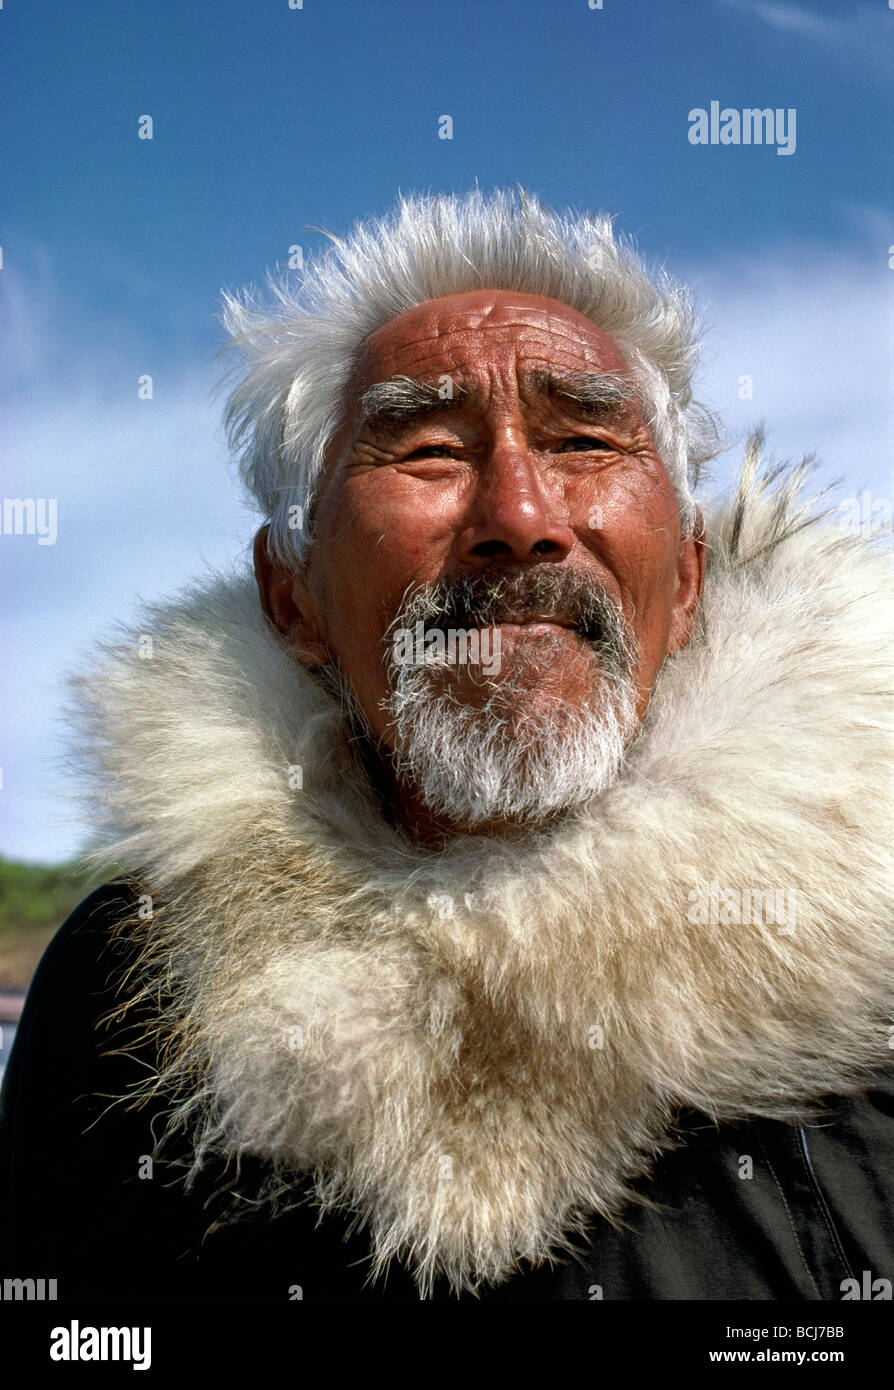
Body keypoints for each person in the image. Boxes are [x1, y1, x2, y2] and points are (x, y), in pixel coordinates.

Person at [2, 188, 892, 1302]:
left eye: (583, 438)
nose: (521, 513)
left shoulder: (874, 953)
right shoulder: (124, 990)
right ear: (293, 598)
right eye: (425, 447)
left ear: (691, 580)